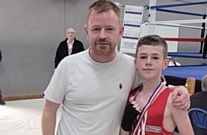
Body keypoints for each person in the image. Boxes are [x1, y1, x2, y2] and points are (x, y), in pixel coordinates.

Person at [42, 1, 190, 135]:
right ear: (87, 31)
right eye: (96, 29)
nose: (102, 35)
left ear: (121, 32)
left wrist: (180, 90)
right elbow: (49, 110)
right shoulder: (68, 65)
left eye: (109, 29)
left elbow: (154, 81)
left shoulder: (130, 66)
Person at [120, 35, 193, 135]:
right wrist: (126, 124)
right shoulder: (131, 96)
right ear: (136, 63)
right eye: (143, 57)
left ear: (165, 64)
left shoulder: (173, 99)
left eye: (155, 57)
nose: (148, 62)